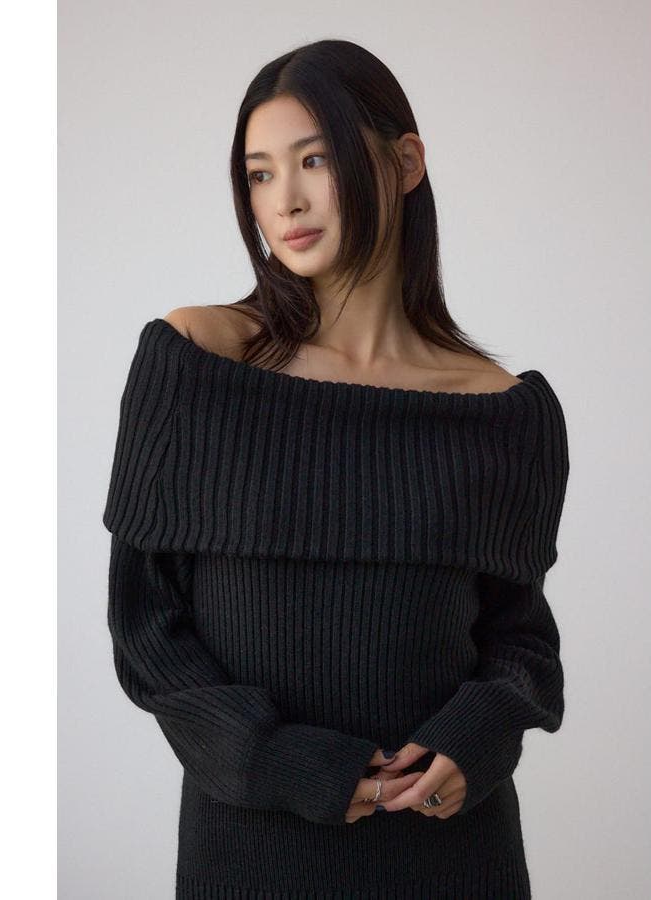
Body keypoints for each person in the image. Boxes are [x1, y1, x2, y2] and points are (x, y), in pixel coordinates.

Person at [103, 38, 570, 899]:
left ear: (404, 163)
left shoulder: (504, 410)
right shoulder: (196, 359)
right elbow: (147, 628)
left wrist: (477, 734)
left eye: (314, 160)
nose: (286, 200)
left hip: (451, 854)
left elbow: (521, 639)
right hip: (252, 855)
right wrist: (280, 763)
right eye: (259, 174)